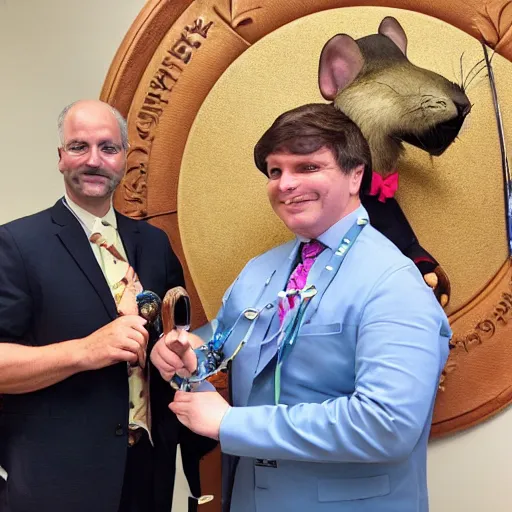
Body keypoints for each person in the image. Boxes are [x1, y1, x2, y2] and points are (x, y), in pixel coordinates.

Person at [150, 103, 451, 512]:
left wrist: (231, 424)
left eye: (307, 167)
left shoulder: (394, 282)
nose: (285, 184)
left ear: (355, 175)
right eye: (275, 171)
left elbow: (387, 426)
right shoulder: (259, 271)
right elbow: (221, 342)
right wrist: (186, 354)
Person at [0, 100, 215, 512]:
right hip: (58, 479)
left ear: (125, 159)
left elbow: (175, 338)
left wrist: (174, 350)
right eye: (79, 147)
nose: (94, 160)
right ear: (61, 158)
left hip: (147, 470)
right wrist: (86, 351)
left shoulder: (153, 244)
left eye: (108, 148)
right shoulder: (16, 245)